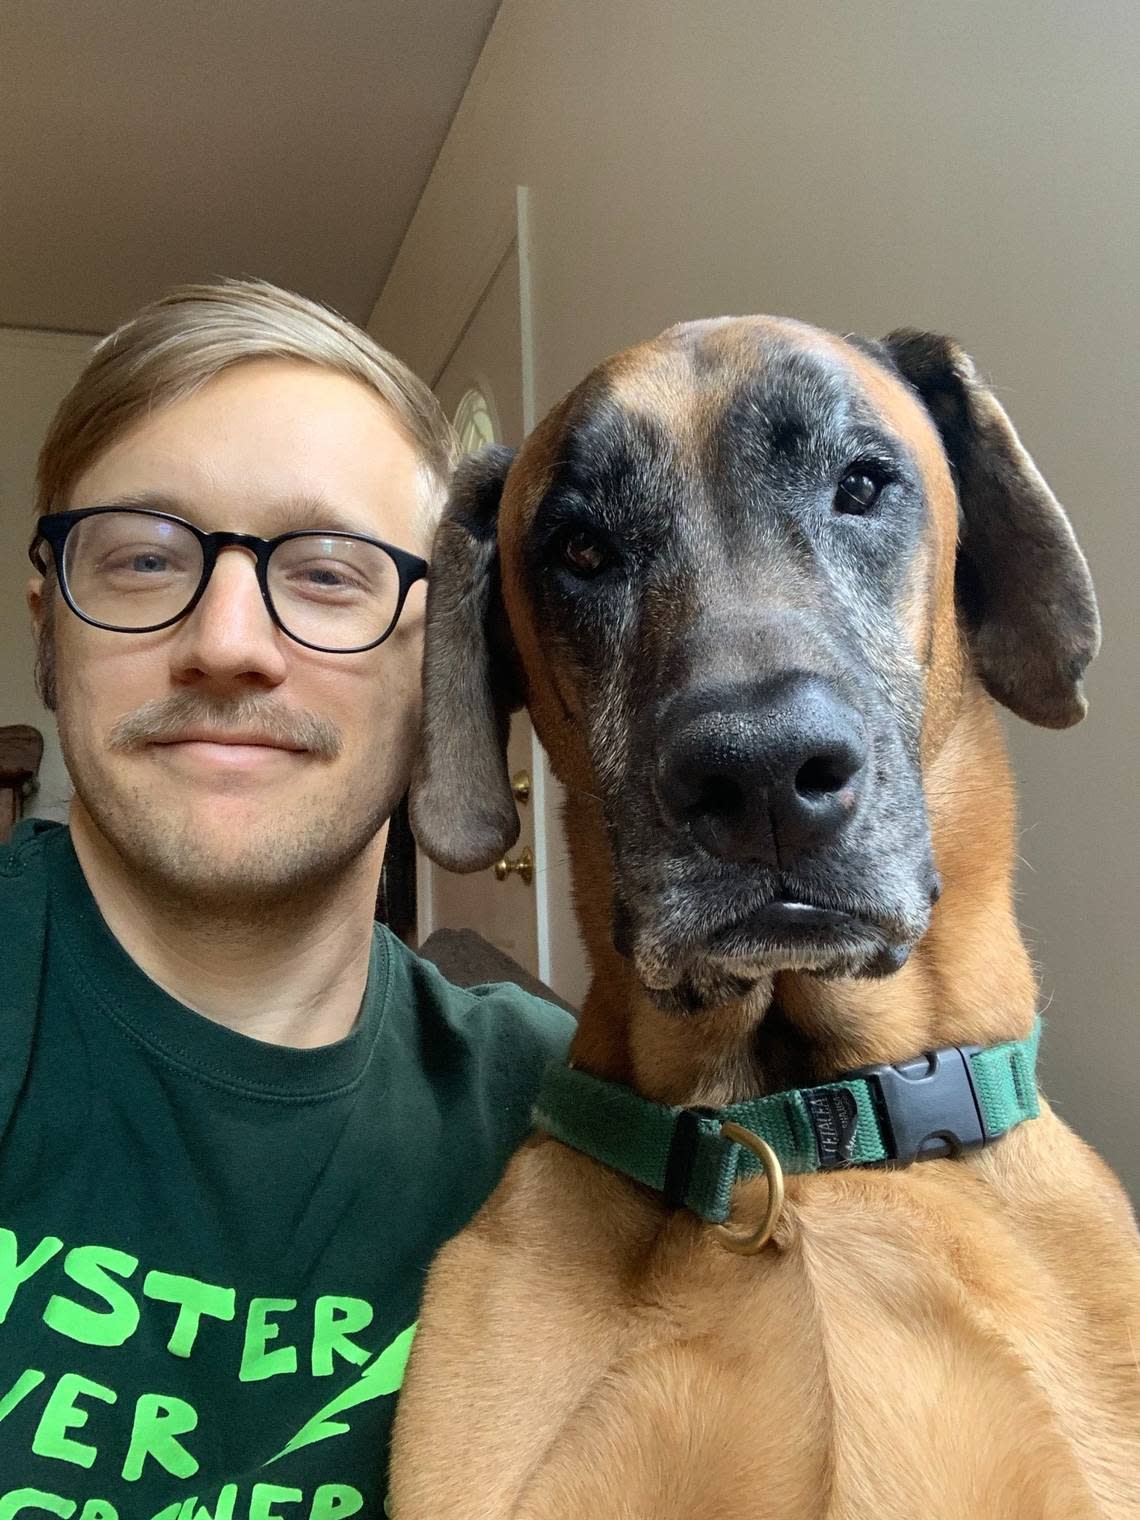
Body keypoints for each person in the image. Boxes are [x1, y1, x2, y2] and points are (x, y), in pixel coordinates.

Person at [1, 280, 574, 1518]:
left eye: (326, 573)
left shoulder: (563, 1113)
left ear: (445, 656)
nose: (229, 640)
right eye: (147, 557)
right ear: (51, 627)